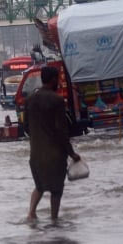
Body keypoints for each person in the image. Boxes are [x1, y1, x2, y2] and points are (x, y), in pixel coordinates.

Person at [25, 66, 81, 221]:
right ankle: (54, 220)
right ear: (53, 80)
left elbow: (25, 128)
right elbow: (62, 132)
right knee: (56, 191)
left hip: (35, 155)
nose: (59, 82)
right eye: (58, 79)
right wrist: (72, 153)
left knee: (40, 186)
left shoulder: (29, 100)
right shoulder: (57, 101)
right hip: (54, 156)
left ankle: (31, 214)